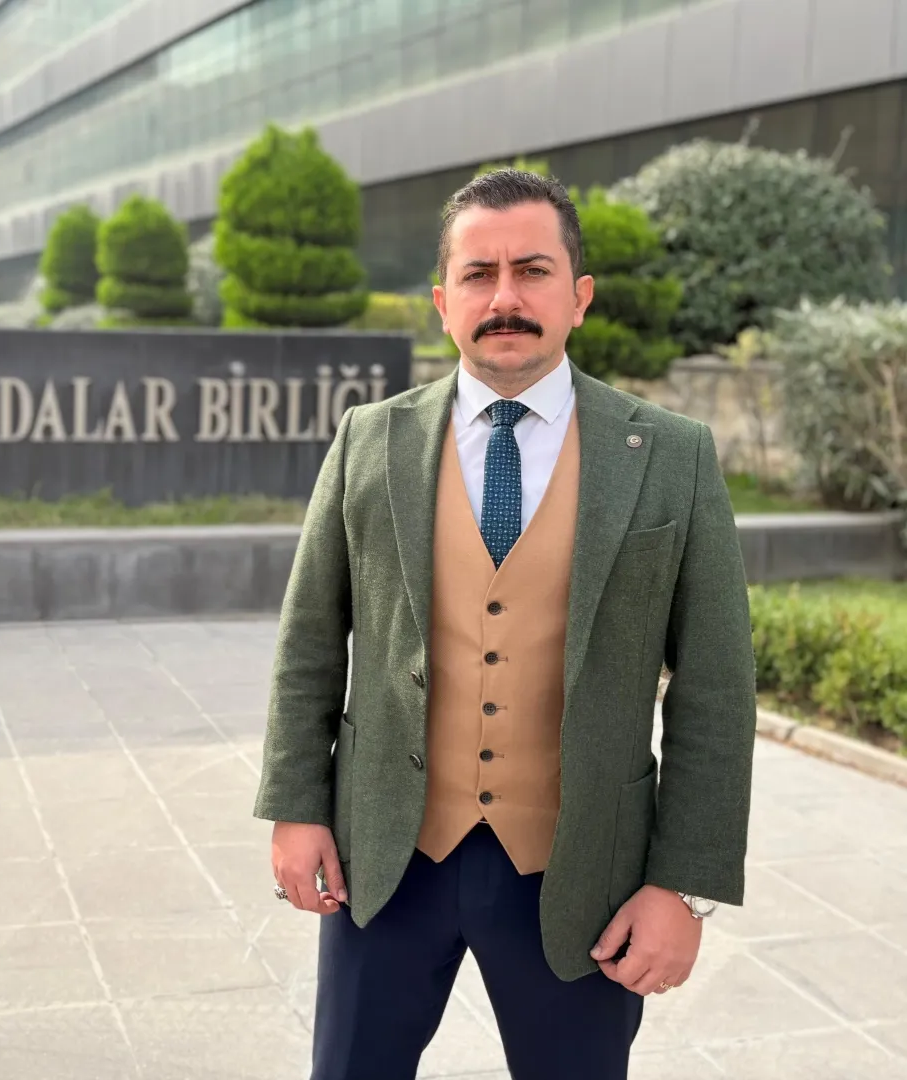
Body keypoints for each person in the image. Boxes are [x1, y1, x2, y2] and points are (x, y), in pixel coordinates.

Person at [254, 169, 756, 1080]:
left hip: (582, 872)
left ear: (579, 295)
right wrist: (296, 806)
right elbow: (311, 641)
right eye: (478, 275)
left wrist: (682, 887)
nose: (505, 298)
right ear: (443, 302)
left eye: (532, 270)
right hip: (388, 855)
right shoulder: (370, 439)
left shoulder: (671, 455)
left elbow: (717, 688)